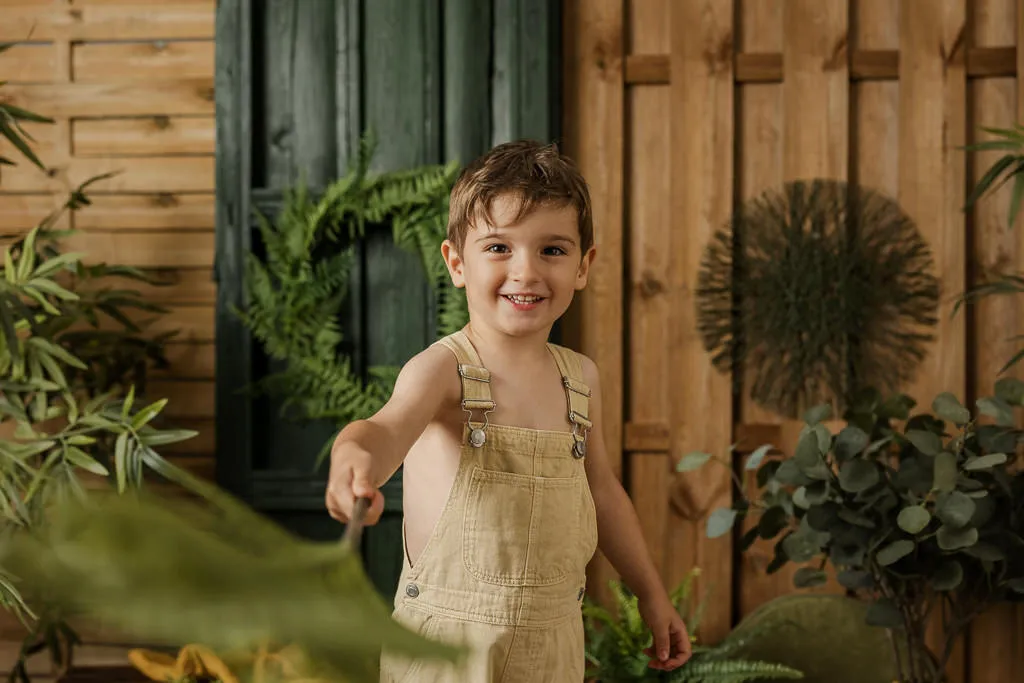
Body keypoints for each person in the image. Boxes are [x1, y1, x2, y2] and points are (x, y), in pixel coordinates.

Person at [325, 140, 692, 682]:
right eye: (498, 248)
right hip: (448, 647)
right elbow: (384, 428)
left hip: (553, 646)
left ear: (583, 266)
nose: (526, 272)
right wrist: (352, 458)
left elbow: (602, 490)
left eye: (552, 250)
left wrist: (652, 595)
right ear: (456, 262)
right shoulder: (442, 370)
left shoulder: (580, 379)